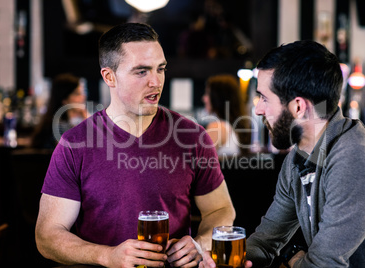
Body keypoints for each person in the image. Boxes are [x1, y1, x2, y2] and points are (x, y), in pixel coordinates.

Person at [35, 22, 235, 267]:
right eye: (141, 72)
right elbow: (47, 237)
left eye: (160, 69)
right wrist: (107, 256)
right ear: (109, 76)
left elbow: (221, 210)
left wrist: (199, 243)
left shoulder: (192, 136)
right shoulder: (75, 143)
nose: (155, 82)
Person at [200, 40, 365, 268]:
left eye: (265, 98)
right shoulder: (297, 158)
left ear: (298, 107)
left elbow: (321, 265)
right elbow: (265, 242)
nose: (258, 109)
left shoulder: (355, 158)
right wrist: (230, 260)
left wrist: (293, 257)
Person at [30, 73, 87, 148]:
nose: (83, 97)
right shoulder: (60, 126)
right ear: (64, 99)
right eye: (77, 94)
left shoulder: (57, 122)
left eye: (82, 93)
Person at [202, 74, 251, 156]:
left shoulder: (217, 127)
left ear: (218, 98)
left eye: (207, 93)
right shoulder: (232, 127)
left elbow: (196, 162)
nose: (204, 98)